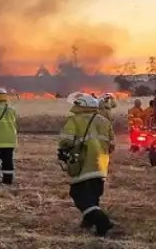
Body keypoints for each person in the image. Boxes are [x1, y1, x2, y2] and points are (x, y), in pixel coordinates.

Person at [58, 93, 118, 237]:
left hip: (83, 163)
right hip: (101, 165)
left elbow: (66, 141)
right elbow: (112, 145)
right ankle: (90, 223)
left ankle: (102, 221)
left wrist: (63, 153)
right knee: (93, 195)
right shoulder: (104, 121)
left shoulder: (74, 120)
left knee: (78, 194)